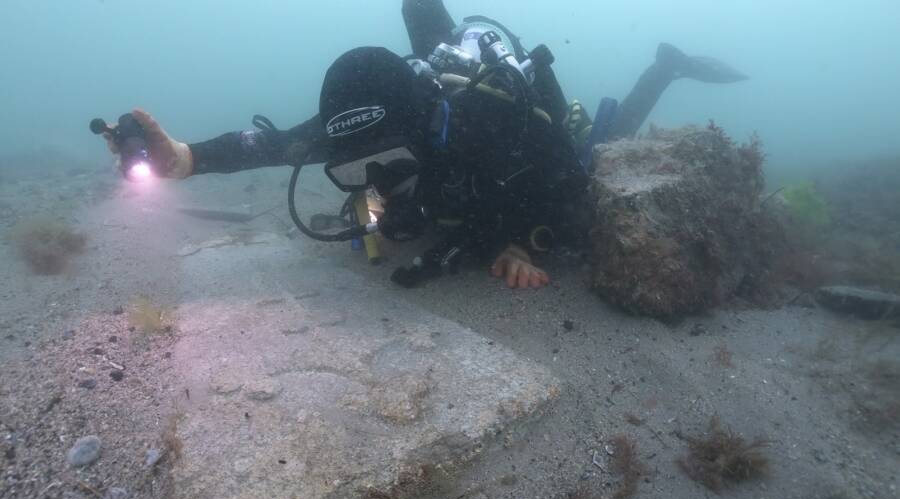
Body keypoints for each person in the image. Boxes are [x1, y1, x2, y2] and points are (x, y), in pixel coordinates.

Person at [102, 1, 747, 289]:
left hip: (535, 139)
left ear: (427, 130)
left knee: (601, 149)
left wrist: (522, 239)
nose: (378, 178)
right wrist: (183, 158)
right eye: (357, 166)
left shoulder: (483, 121)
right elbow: (269, 146)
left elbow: (565, 193)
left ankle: (665, 67)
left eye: (391, 162)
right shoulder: (355, 121)